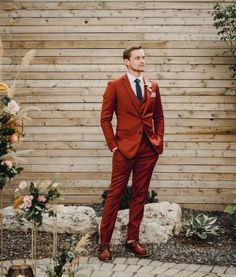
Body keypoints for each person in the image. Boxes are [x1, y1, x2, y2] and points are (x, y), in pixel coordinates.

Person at [99, 45, 164, 262]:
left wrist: (158, 140)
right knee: (115, 195)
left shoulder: (152, 86)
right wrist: (113, 146)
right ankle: (105, 243)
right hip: (124, 149)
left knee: (139, 194)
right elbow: (105, 118)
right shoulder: (115, 85)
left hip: (147, 149)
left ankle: (132, 240)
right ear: (126, 61)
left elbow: (159, 117)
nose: (142, 61)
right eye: (137, 58)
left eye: (144, 57)